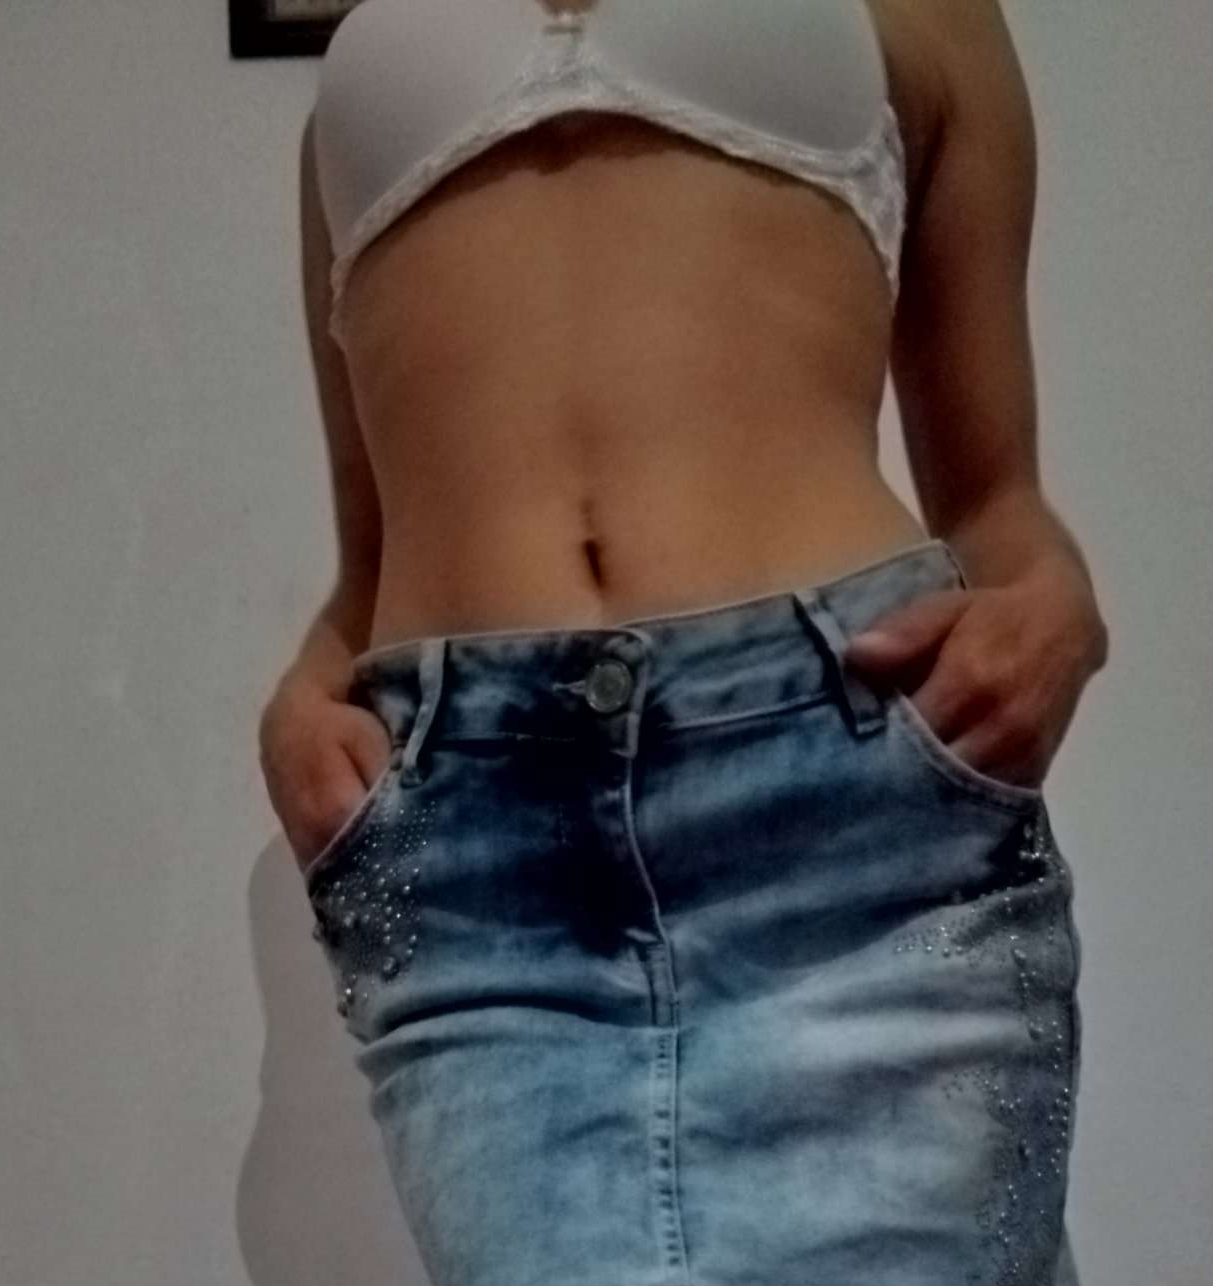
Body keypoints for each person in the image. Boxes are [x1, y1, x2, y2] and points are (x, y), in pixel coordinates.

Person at [258, 1, 1108, 1282]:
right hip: (488, 886)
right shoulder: (354, 83)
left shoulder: (926, 15)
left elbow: (995, 500)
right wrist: (304, 697)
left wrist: (1051, 601)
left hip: (852, 826)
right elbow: (368, 558)